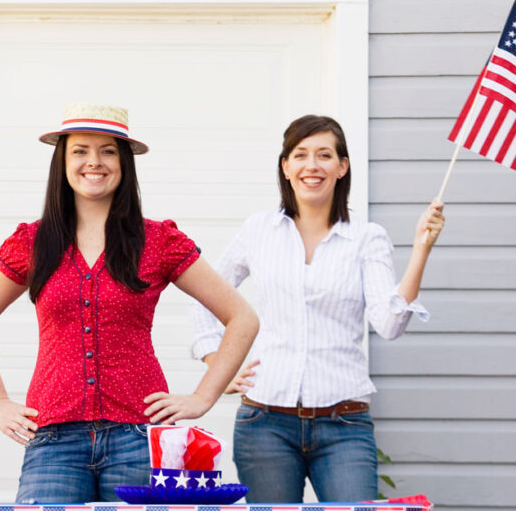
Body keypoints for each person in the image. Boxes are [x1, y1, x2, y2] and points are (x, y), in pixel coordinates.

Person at [0, 103, 260, 504]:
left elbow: (242, 317)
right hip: (53, 439)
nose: (93, 162)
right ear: (62, 161)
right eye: (80, 150)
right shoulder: (33, 241)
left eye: (108, 150)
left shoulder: (158, 242)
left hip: (138, 434)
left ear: (124, 162)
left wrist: (202, 397)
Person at [190, 114, 445, 503]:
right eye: (301, 155)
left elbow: (390, 324)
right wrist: (217, 363)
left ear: (342, 167)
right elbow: (204, 297)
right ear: (286, 167)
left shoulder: (366, 238)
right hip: (265, 423)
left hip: (344, 424)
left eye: (325, 155)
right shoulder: (258, 230)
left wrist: (421, 249)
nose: (312, 165)